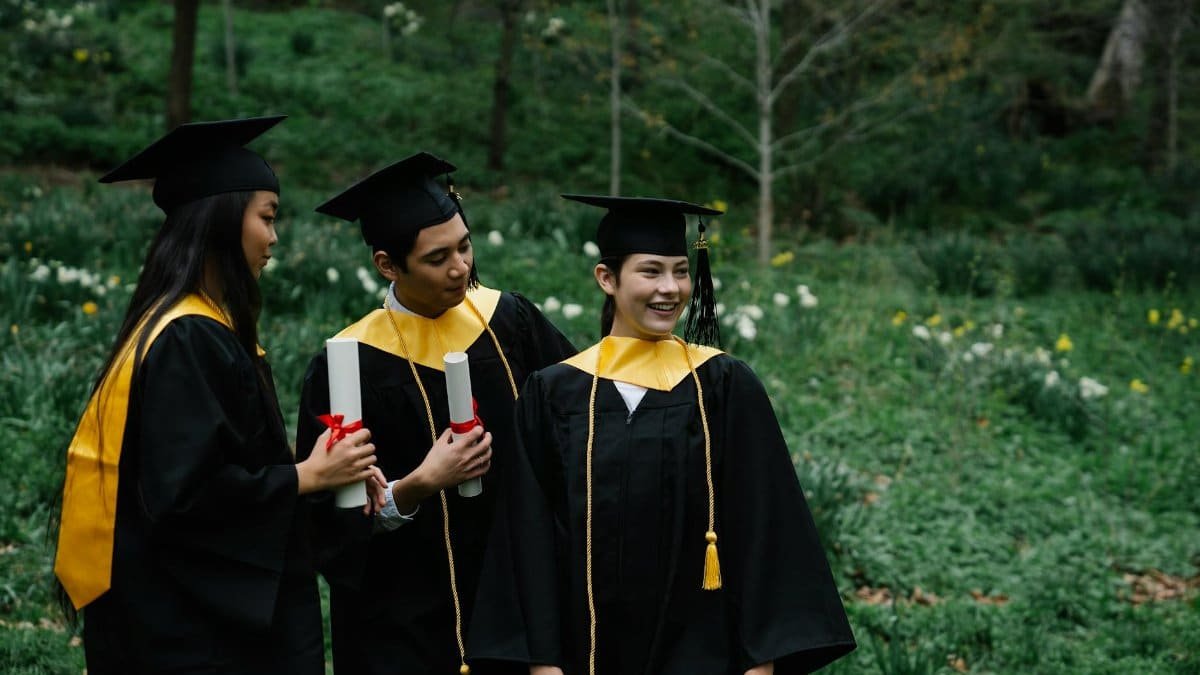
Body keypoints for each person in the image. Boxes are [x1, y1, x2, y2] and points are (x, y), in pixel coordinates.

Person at [468, 195, 856, 675]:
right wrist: (542, 661)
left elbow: (764, 525)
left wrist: (763, 661)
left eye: (679, 271)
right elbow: (527, 534)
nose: (670, 289)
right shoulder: (555, 393)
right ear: (607, 279)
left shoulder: (724, 384)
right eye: (651, 272)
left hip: (702, 651)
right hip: (583, 651)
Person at [54, 116, 385, 675]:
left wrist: (324, 470)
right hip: (186, 631)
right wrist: (305, 478)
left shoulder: (183, 325)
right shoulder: (188, 336)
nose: (274, 238)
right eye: (267, 217)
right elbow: (184, 495)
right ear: (221, 221)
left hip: (174, 612)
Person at [296, 152, 577, 675]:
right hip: (403, 629)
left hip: (519, 608)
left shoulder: (509, 322)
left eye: (465, 246)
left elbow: (579, 430)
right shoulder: (347, 365)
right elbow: (328, 530)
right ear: (387, 264)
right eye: (437, 257)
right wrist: (418, 485)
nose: (461, 267)